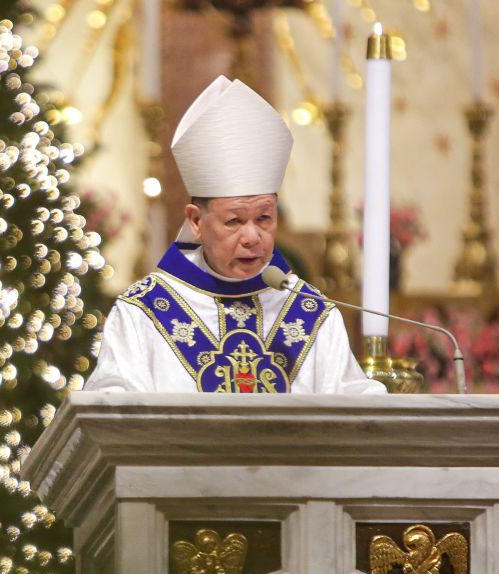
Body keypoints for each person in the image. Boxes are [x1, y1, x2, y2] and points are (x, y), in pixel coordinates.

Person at [85, 76, 384, 394]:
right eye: (234, 221)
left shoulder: (310, 311)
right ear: (196, 221)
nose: (253, 236)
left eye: (265, 218)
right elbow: (112, 412)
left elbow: (353, 403)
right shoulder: (142, 313)